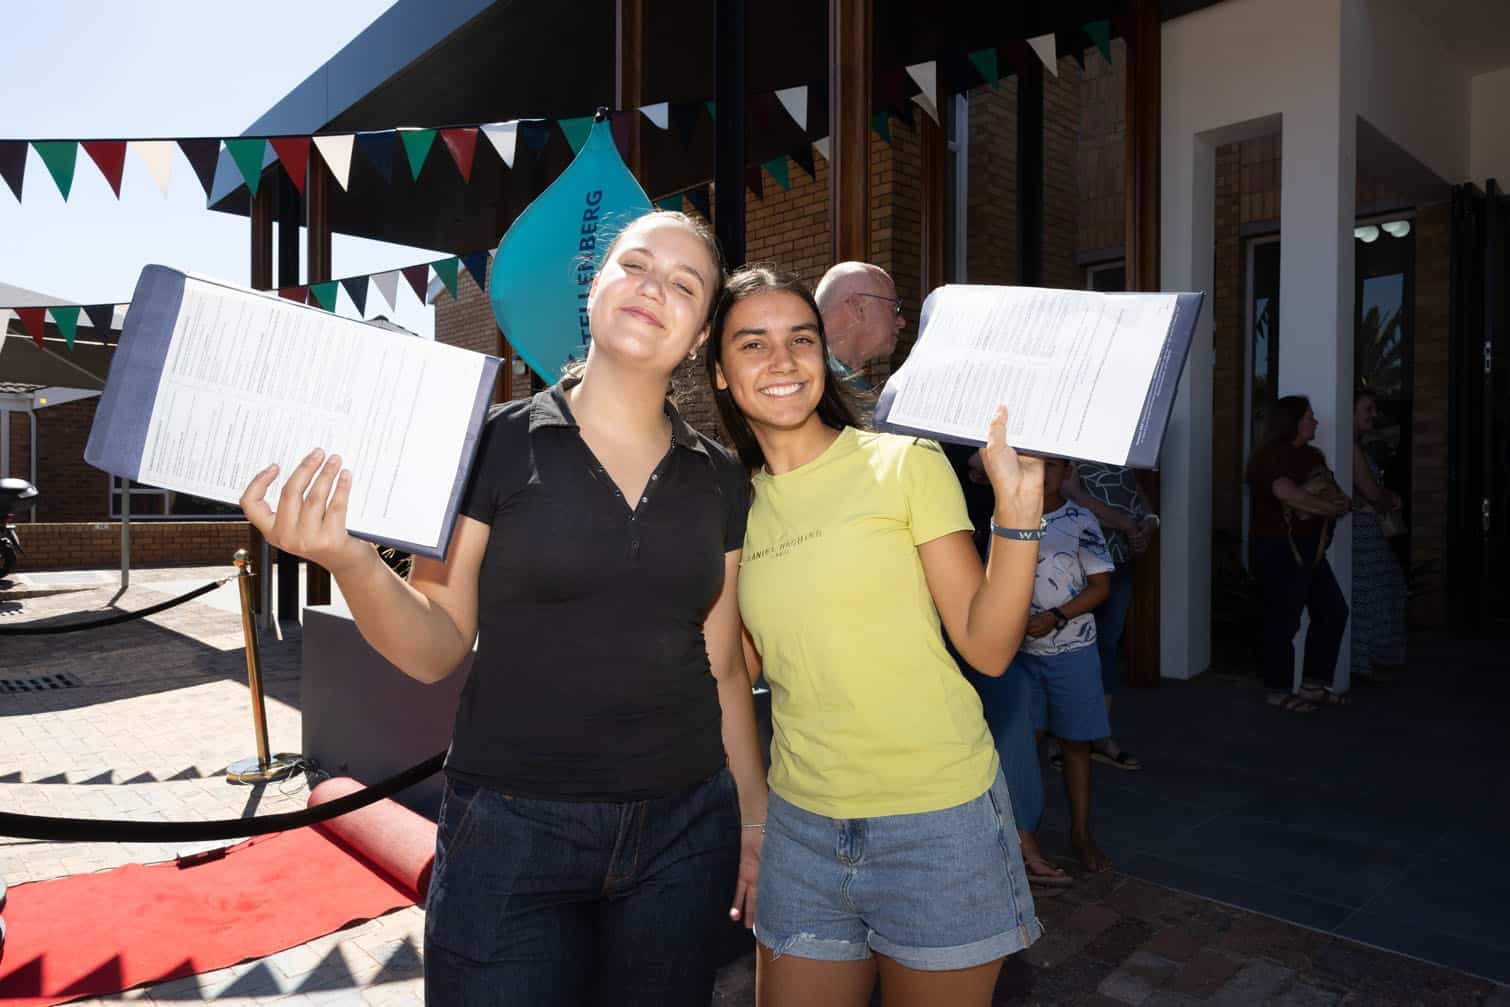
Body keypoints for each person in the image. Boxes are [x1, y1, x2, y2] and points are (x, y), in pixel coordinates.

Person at [240, 210, 767, 1006]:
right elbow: (436, 643)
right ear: (595, 286)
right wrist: (349, 558)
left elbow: (722, 664)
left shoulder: (720, 476)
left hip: (685, 835)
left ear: (698, 337)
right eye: (634, 265)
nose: (653, 287)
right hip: (513, 836)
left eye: (684, 283)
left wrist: (753, 818)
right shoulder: (490, 443)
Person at [706, 266, 1045, 1007]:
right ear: (722, 373)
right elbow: (738, 667)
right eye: (753, 343)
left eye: (800, 338)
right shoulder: (730, 507)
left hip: (938, 825)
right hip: (801, 829)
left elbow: (987, 646)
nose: (783, 359)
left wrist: (1017, 516)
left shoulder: (903, 462)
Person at [940, 442, 1065, 890]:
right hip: (924, 591)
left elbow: (987, 463)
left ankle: (1021, 834)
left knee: (1015, 696)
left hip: (978, 582)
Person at [1011, 457, 1115, 874]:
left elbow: (1101, 586)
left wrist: (1056, 617)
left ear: (1068, 471)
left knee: (1075, 743)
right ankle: (1022, 837)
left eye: (1053, 465)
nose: (1044, 473)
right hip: (1019, 656)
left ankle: (1080, 833)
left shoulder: (1081, 520)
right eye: (1035, 463)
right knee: (1021, 746)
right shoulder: (1008, 515)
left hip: (1073, 650)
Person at [1244, 395, 1352, 714]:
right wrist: (1329, 508)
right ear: (1291, 422)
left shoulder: (1312, 456)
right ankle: (1277, 690)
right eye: (1309, 416)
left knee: (1332, 610)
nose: (1315, 421)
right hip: (1278, 548)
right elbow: (1285, 492)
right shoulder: (1270, 456)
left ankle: (1313, 686)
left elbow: (1331, 489)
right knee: (1283, 620)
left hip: (1310, 550)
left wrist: (1339, 502)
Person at [1062, 462, 1159, 770]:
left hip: (1120, 559)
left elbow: (1134, 488)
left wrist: (1149, 520)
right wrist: (1127, 524)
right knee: (1069, 645)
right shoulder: (1069, 444)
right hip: (1078, 560)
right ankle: (1063, 740)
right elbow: (1068, 493)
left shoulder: (1121, 445)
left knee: (1107, 644)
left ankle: (1099, 737)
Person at [1350, 388, 1407, 683]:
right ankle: (1363, 658)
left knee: (1376, 589)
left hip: (1365, 531)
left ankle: (1365, 658)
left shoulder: (1356, 446)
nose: (1374, 415)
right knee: (1376, 590)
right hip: (1362, 534)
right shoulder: (1351, 448)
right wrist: (1391, 500)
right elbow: (1370, 492)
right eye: (1367, 409)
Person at [813, 261, 907, 383]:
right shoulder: (812, 384)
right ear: (858, 307)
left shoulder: (816, 379)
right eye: (895, 309)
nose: (902, 322)